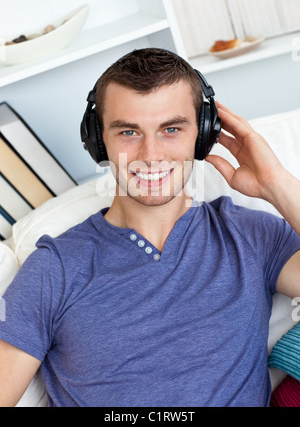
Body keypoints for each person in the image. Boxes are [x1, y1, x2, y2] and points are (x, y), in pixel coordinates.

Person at [0, 48, 299, 407]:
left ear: (202, 135)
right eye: (129, 132)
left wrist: (275, 183)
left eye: (171, 129)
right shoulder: (55, 269)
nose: (151, 154)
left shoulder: (249, 235)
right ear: (98, 142)